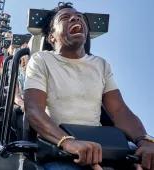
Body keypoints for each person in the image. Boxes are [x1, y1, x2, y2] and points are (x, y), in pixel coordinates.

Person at [24, 2, 154, 170]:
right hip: (60, 148)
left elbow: (119, 110)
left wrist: (144, 140)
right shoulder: (41, 60)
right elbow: (34, 109)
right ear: (52, 37)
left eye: (79, 17)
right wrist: (67, 142)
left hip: (100, 146)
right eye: (65, 17)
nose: (74, 18)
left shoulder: (101, 65)